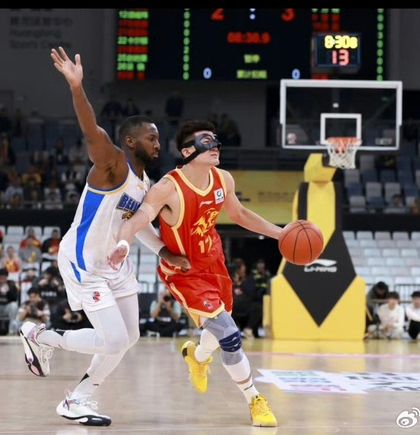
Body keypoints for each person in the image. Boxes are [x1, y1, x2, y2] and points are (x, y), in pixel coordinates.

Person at [19, 46, 189, 427]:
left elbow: (141, 225)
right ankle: (40, 336)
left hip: (115, 262)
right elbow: (89, 129)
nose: (157, 143)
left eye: (158, 138)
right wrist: (76, 88)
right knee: (112, 340)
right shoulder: (112, 164)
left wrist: (164, 252)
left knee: (130, 336)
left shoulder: (145, 183)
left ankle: (79, 398)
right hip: (85, 260)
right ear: (130, 141)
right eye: (151, 138)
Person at [107, 119, 282, 427]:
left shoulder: (223, 179)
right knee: (229, 334)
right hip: (184, 271)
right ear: (188, 151)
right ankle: (255, 400)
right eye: (206, 141)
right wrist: (123, 243)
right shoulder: (167, 188)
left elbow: (240, 214)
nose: (215, 146)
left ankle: (197, 357)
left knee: (216, 333)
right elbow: (137, 219)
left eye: (216, 140)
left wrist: (280, 234)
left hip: (214, 262)